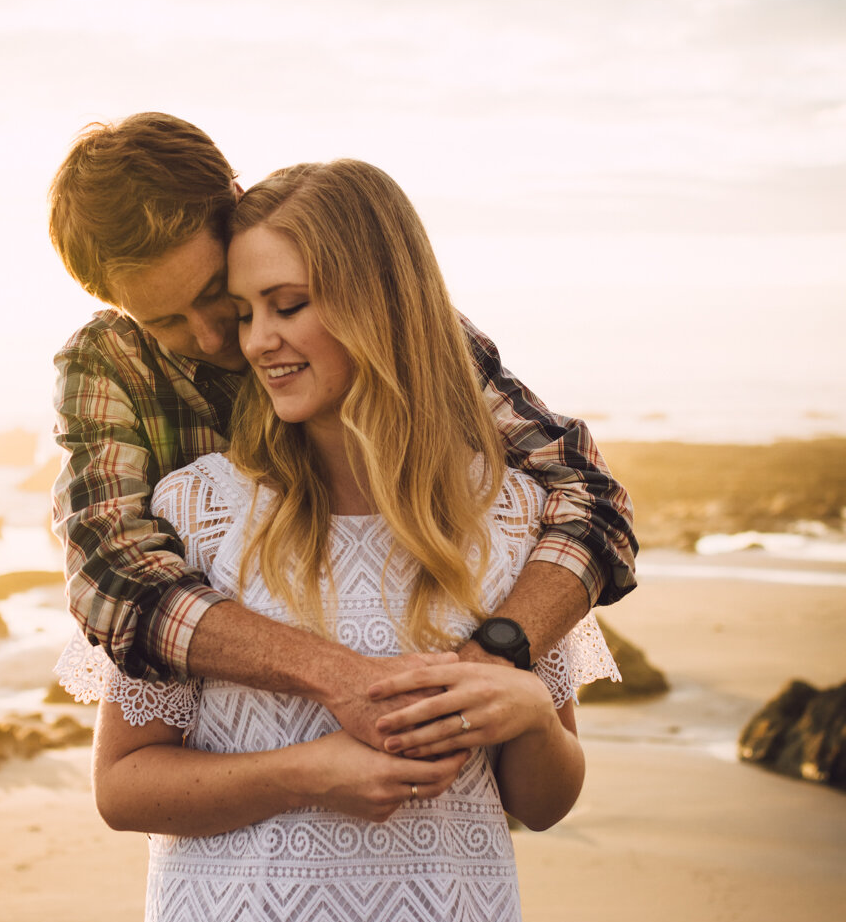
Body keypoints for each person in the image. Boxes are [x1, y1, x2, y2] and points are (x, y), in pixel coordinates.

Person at [57, 159, 620, 922]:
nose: (242, 341)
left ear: (380, 301)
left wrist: (519, 705)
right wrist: (311, 769)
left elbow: (546, 802)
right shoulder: (195, 517)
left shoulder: (509, 528)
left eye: (283, 304)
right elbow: (123, 788)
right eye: (238, 311)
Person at [49, 114, 636, 749]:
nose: (219, 339)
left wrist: (491, 663)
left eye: (217, 293)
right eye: (165, 321)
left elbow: (589, 495)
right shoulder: (108, 362)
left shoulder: (379, 321)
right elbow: (113, 580)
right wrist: (340, 679)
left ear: (237, 210)